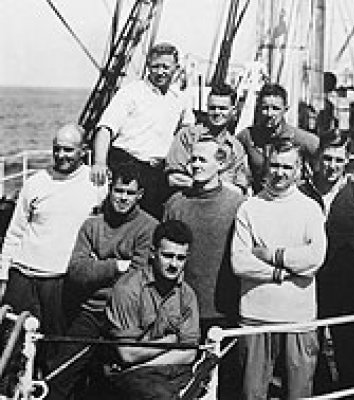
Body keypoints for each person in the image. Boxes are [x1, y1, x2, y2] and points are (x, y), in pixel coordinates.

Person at [46, 163, 157, 400]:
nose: (123, 198)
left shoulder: (149, 228)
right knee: (60, 374)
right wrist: (117, 265)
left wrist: (96, 266)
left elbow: (137, 279)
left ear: (140, 195)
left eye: (129, 193)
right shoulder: (92, 225)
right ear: (109, 189)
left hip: (126, 318)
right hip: (91, 311)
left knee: (117, 381)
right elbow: (76, 271)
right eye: (118, 191)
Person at [1, 123, 105, 371]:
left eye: (68, 150)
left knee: (54, 353)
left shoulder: (97, 185)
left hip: (60, 282)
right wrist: (3, 277)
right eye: (56, 149)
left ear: (84, 150)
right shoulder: (36, 182)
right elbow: (14, 234)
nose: (61, 155)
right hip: (23, 278)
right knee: (11, 348)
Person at [231, 141, 326, 400]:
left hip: (299, 318)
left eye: (287, 166)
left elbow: (315, 258)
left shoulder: (310, 208)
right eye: (274, 165)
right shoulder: (249, 207)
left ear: (299, 169)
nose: (280, 172)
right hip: (255, 317)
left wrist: (273, 255)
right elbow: (239, 262)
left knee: (299, 394)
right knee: (253, 394)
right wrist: (279, 273)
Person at [163, 136, 244, 398]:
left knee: (225, 383)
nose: (195, 165)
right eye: (192, 159)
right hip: (182, 310)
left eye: (202, 160)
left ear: (220, 163)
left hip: (222, 309)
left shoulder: (236, 204)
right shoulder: (175, 203)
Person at [301, 131, 354, 392]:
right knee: (311, 351)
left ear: (348, 160)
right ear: (318, 158)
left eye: (338, 160)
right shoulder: (303, 193)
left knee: (350, 354)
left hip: (347, 286)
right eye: (327, 158)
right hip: (310, 285)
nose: (331, 166)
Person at [91, 42, 195, 220]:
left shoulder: (180, 98)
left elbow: (187, 132)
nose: (160, 72)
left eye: (165, 67)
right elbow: (105, 128)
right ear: (148, 66)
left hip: (158, 172)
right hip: (127, 164)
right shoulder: (130, 93)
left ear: (176, 68)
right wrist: (99, 162)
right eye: (155, 66)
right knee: (121, 218)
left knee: (153, 221)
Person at [105, 220, 200, 400]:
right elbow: (127, 354)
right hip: (130, 377)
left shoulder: (187, 295)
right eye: (168, 255)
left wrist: (146, 363)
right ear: (153, 253)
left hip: (170, 370)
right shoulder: (128, 289)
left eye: (181, 258)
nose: (174, 264)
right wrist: (172, 340)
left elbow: (189, 352)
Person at [165, 83, 250, 193]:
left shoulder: (236, 147)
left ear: (233, 111)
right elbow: (173, 178)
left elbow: (240, 188)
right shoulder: (187, 135)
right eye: (212, 108)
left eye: (222, 108)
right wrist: (208, 185)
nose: (217, 112)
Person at [236, 82, 319, 193]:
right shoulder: (247, 136)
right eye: (265, 108)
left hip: (290, 199)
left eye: (275, 108)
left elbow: (323, 156)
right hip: (260, 198)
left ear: (285, 109)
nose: (269, 114)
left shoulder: (300, 138)